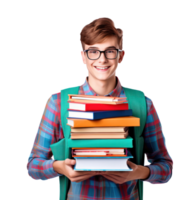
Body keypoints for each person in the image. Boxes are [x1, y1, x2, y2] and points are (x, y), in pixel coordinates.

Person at [27, 17, 173, 200]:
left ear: (120, 56)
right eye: (93, 51)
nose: (102, 59)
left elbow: (166, 169)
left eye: (110, 51)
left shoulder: (142, 104)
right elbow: (33, 167)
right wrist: (59, 167)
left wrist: (138, 172)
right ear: (82, 56)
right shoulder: (58, 103)